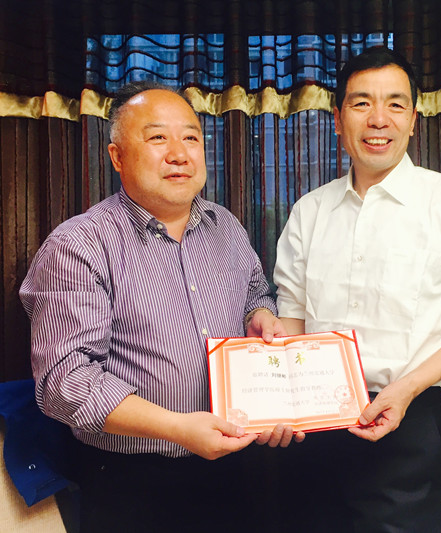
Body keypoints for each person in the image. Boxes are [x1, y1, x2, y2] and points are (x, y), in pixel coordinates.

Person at [19, 81, 301, 533]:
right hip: (133, 481)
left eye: (190, 137)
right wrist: (177, 427)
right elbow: (64, 382)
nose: (179, 154)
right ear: (117, 157)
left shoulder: (226, 227)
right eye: (157, 138)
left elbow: (255, 293)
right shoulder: (79, 246)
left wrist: (260, 316)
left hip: (238, 468)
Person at [272, 47, 441, 532]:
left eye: (395, 104)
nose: (378, 119)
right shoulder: (308, 212)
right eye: (361, 103)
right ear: (337, 119)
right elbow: (292, 317)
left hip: (409, 424)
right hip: (314, 427)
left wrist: (405, 389)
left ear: (413, 120)